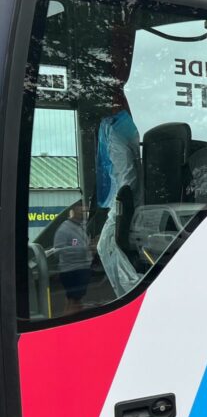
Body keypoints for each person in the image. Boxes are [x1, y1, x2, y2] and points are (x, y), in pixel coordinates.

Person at [95, 108, 142, 297]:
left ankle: (130, 294)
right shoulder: (119, 127)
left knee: (105, 246)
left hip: (130, 204)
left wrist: (117, 212)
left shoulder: (114, 131)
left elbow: (127, 180)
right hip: (131, 201)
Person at [53, 200, 92, 314]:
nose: (84, 213)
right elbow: (58, 251)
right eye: (82, 210)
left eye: (86, 211)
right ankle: (68, 322)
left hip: (81, 269)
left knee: (75, 301)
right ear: (74, 210)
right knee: (73, 302)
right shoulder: (64, 229)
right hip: (72, 271)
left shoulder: (80, 227)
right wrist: (85, 249)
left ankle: (69, 321)